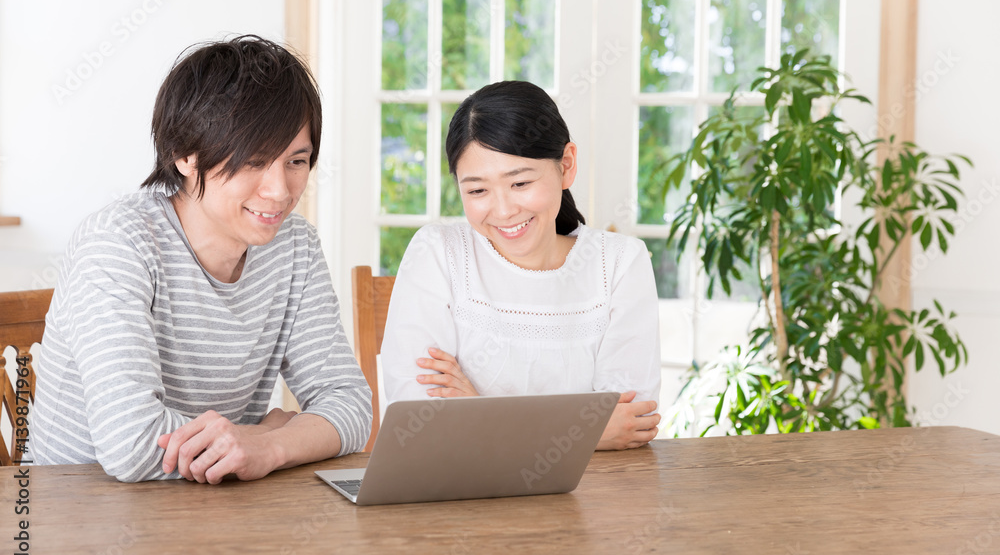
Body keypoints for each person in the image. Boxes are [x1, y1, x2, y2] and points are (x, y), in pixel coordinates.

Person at [27, 35, 372, 483]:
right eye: (255, 161)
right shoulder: (118, 243)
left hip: (213, 508)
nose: (281, 191)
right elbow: (131, 444)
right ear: (185, 156)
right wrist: (253, 438)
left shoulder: (295, 247)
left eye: (296, 161)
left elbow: (350, 404)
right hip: (73, 516)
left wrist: (268, 446)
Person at [381, 80, 661, 450]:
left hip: (593, 501)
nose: (503, 210)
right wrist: (585, 433)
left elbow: (630, 422)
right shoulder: (439, 253)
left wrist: (479, 413)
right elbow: (422, 425)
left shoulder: (621, 263)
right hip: (462, 500)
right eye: (478, 190)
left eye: (520, 183)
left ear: (566, 165)